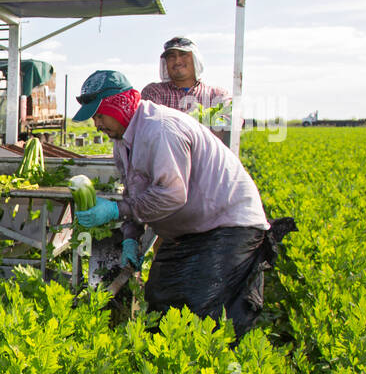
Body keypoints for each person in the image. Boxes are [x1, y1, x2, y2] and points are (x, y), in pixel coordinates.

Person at [71, 70, 286, 339]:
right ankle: (163, 373)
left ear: (120, 105)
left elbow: (171, 195)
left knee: (203, 312)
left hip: (228, 226)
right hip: (189, 231)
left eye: (100, 115)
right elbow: (136, 193)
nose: (97, 124)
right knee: (161, 298)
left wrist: (116, 210)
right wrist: (130, 238)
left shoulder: (160, 129)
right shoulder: (124, 141)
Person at [140, 37, 230, 115]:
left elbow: (226, 126)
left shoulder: (216, 94)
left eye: (183, 55)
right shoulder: (154, 92)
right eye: (171, 57)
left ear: (195, 60)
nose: (177, 61)